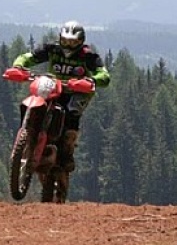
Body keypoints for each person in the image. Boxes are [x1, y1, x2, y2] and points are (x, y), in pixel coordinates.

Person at [11, 20, 110, 172]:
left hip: (78, 91)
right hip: (53, 87)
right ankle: (28, 133)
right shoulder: (52, 49)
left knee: (72, 112)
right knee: (36, 100)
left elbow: (103, 75)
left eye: (72, 42)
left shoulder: (88, 56)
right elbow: (28, 56)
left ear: (80, 42)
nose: (67, 45)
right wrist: (18, 67)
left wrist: (91, 80)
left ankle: (67, 153)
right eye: (65, 41)